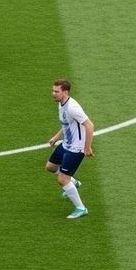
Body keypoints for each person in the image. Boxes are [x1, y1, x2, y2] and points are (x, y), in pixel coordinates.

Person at [46, 79, 94, 219]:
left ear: (65, 92)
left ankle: (81, 208)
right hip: (66, 144)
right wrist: (56, 137)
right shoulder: (62, 104)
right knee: (50, 167)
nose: (53, 94)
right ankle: (73, 182)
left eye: (56, 91)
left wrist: (87, 147)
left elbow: (89, 125)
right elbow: (67, 123)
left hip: (76, 148)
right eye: (53, 90)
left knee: (62, 179)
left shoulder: (73, 107)